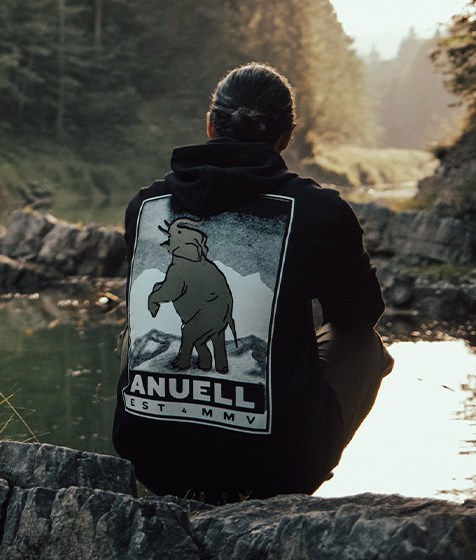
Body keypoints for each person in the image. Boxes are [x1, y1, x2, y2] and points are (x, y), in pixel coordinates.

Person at [111, 62, 393, 504]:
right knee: (367, 345)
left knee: (135, 330)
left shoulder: (146, 205)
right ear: (286, 136)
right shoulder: (319, 210)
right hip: (274, 471)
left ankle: (168, 425)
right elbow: (359, 316)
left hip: (153, 463)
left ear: (210, 125)